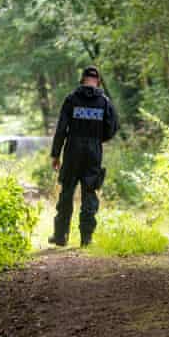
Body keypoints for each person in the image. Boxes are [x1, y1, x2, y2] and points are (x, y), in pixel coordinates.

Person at [48, 66, 119, 247]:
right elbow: (112, 128)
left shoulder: (71, 100)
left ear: (82, 79)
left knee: (67, 192)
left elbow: (61, 129)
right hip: (93, 152)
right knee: (89, 192)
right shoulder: (104, 102)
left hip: (72, 150)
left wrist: (56, 154)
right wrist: (97, 139)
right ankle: (86, 238)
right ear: (98, 82)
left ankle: (61, 236)